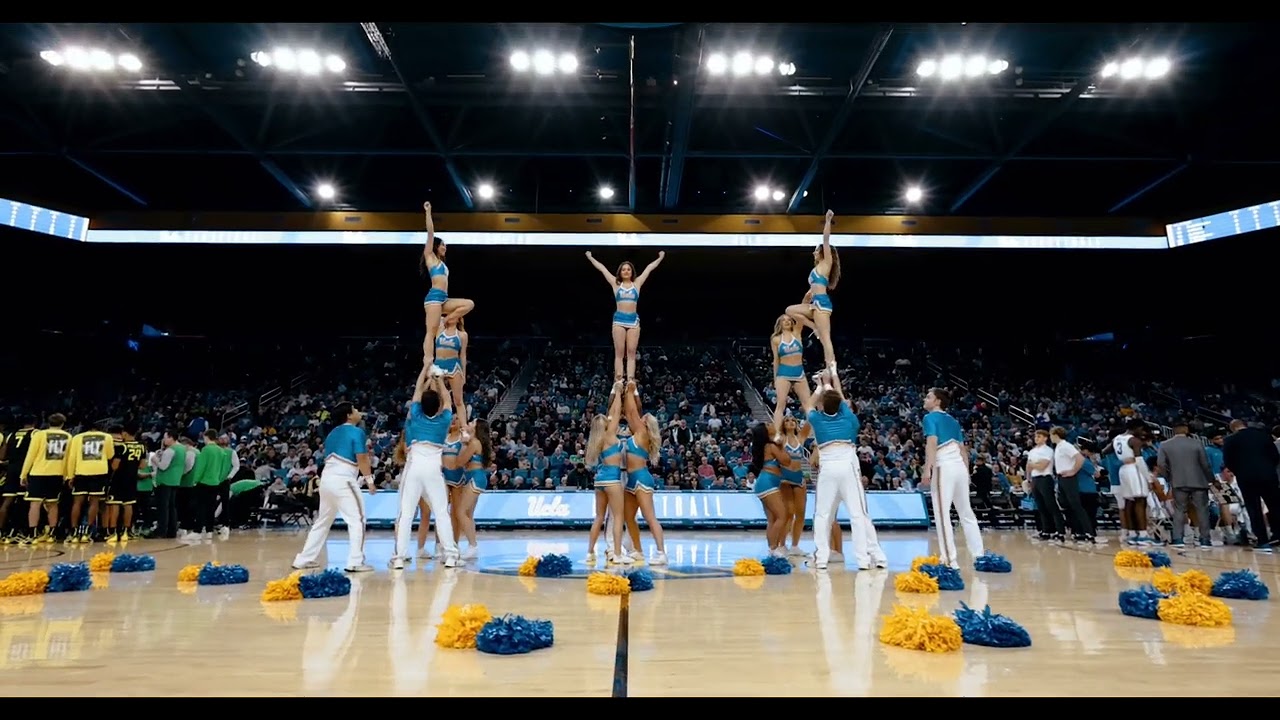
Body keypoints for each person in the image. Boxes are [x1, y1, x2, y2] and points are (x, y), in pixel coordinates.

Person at [806, 369, 885, 571]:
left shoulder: (817, 419)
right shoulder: (850, 420)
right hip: (848, 466)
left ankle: (821, 559)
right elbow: (840, 399)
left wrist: (820, 385)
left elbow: (808, 404)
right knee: (858, 514)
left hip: (828, 468)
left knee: (822, 515)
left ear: (822, 406)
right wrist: (831, 382)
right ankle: (865, 560)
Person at [292, 402, 376, 573]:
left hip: (326, 479)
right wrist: (369, 480)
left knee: (323, 521)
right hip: (344, 479)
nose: (359, 411)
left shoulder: (331, 434)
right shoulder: (357, 431)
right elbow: (362, 458)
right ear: (349, 416)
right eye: (355, 409)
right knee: (357, 520)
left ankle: (303, 559)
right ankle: (355, 561)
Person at [392, 365, 460, 570]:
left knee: (406, 514)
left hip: (414, 469)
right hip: (433, 470)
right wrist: (439, 378)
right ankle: (450, 555)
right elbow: (447, 401)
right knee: (441, 513)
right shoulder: (444, 420)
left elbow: (416, 393)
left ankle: (399, 557)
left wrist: (425, 371)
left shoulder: (415, 416)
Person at [920, 388, 985, 567]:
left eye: (928, 397)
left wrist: (927, 469)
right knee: (966, 513)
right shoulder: (953, 420)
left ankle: (950, 560)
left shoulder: (929, 418)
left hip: (944, 466)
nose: (925, 399)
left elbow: (932, 443)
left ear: (938, 402)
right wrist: (966, 471)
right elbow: (962, 448)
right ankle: (979, 555)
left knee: (942, 514)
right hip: (959, 467)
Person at [585, 250, 665, 382]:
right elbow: (602, 269)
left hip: (633, 321)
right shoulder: (616, 284)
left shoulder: (637, 283)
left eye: (628, 269)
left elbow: (649, 268)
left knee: (631, 352)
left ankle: (631, 379)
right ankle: (618, 378)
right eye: (623, 270)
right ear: (620, 272)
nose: (626, 271)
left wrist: (660, 257)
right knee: (619, 353)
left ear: (632, 272)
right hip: (619, 321)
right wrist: (590, 257)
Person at [420, 201, 475, 369]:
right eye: (443, 244)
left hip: (444, 299)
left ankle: (448, 319)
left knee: (469, 304)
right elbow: (430, 233)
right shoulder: (430, 257)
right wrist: (428, 212)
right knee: (431, 332)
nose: (445, 247)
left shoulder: (443, 264)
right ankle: (428, 360)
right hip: (434, 299)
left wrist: (450, 317)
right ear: (436, 246)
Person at [785, 210, 840, 375]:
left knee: (825, 340)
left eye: (816, 251)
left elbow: (825, 239)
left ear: (822, 252)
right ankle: (814, 328)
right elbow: (808, 296)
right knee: (789, 310)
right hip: (814, 304)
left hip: (822, 305)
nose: (813, 253)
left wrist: (828, 220)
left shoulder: (826, 264)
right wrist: (801, 319)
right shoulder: (816, 270)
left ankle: (831, 369)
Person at [621, 380, 667, 565]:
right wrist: (631, 393)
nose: (639, 419)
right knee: (628, 517)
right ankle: (638, 550)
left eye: (643, 418)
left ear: (646, 425)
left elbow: (632, 412)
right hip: (632, 479)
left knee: (649, 517)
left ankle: (661, 552)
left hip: (641, 478)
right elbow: (632, 413)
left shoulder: (642, 434)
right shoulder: (638, 433)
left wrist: (630, 391)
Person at [586, 382, 633, 565]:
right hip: (613, 480)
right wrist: (618, 392)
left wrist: (615, 391)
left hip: (599, 481)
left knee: (599, 517)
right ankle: (617, 553)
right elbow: (614, 412)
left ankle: (590, 552)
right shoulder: (610, 436)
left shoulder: (596, 440)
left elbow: (611, 416)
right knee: (618, 517)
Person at [1222, 418, 1280, 552]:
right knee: (1275, 505)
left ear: (1232, 428)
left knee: (1254, 509)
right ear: (1245, 425)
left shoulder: (1230, 440)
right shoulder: (1262, 435)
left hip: (1246, 478)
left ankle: (1263, 540)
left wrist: (1240, 472)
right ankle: (1277, 534)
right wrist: (1268, 468)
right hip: (1268, 475)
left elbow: (1228, 461)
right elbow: (1275, 456)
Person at [1156, 420, 1215, 549]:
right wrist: (1211, 479)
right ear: (1186, 429)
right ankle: (1205, 539)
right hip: (1199, 481)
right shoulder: (1197, 443)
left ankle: (1178, 539)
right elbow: (1205, 464)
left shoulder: (1164, 445)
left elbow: (1161, 465)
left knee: (1179, 510)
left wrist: (1169, 477)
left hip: (1178, 481)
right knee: (1202, 510)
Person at [19, 413, 72, 544]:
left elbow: (30, 455)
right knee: (53, 504)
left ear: (48, 422)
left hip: (39, 472)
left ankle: (33, 535)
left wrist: (23, 474)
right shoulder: (68, 436)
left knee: (35, 504)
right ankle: (52, 534)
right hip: (57, 473)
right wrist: (68, 475)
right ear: (63, 424)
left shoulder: (39, 435)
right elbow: (69, 458)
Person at [65, 420, 115, 543]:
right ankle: (87, 531)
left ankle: (74, 531)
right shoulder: (107, 437)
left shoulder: (77, 438)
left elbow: (72, 458)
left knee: (77, 503)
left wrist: (70, 476)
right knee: (94, 502)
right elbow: (110, 455)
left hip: (81, 472)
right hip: (99, 472)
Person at [749, 423, 792, 556]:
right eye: (768, 425)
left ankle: (772, 550)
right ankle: (773, 549)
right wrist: (781, 445)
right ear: (766, 432)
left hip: (765, 482)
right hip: (768, 483)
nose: (771, 424)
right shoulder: (771, 446)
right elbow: (786, 461)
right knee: (782, 516)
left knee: (772, 519)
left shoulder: (766, 446)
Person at [454, 418, 493, 561]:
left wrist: (463, 444)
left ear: (476, 429)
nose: (469, 424)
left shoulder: (474, 443)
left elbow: (459, 462)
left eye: (472, 423)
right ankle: (472, 545)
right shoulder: (475, 442)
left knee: (460, 511)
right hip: (475, 476)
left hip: (475, 477)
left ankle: (473, 545)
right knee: (468, 514)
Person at [1049, 426, 1096, 545]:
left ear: (1055, 435)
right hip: (1061, 477)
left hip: (1069, 478)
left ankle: (1088, 532)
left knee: (1076, 505)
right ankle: (1075, 531)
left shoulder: (1066, 446)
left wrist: (1073, 471)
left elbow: (1080, 459)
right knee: (1066, 506)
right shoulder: (1058, 447)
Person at [769, 314, 812, 442]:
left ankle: (812, 431)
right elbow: (776, 360)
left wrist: (807, 297)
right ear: (780, 323)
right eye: (784, 320)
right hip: (784, 372)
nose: (787, 322)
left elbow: (801, 314)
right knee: (780, 405)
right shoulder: (776, 339)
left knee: (808, 405)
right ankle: (777, 434)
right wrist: (775, 378)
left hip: (799, 372)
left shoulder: (797, 333)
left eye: (789, 320)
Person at [1113, 420, 1155, 546]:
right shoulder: (1134, 440)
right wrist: (1149, 479)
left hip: (1123, 469)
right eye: (1141, 429)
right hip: (1134, 469)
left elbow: (1105, 451)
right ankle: (1142, 535)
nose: (1142, 433)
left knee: (1129, 502)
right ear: (1135, 428)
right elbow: (1140, 461)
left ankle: (1132, 534)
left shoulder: (1117, 438)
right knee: (1140, 500)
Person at [103, 424, 146, 544]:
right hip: (132, 479)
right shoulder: (141, 447)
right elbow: (143, 465)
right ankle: (126, 532)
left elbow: (115, 466)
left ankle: (113, 532)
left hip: (119, 479)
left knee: (114, 504)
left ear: (126, 433)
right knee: (128, 504)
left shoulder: (122, 447)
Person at [778, 415, 812, 556]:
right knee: (788, 513)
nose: (790, 422)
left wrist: (811, 403)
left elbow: (810, 420)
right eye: (787, 420)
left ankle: (795, 546)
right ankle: (781, 545)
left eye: (793, 420)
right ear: (783, 424)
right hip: (784, 478)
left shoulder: (801, 438)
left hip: (799, 477)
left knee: (801, 513)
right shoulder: (780, 439)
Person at [0, 416, 36, 543]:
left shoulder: (11, 435)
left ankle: (2, 532)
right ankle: (19, 531)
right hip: (25, 470)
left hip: (11, 470)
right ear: (34, 423)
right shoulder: (35, 434)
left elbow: (2, 456)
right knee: (24, 503)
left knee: (6, 503)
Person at [1025, 429, 1062, 542]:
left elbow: (1042, 466)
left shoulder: (1048, 450)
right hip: (1035, 479)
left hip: (1045, 478)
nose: (1036, 438)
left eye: (1039, 436)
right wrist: (1028, 479)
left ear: (1045, 438)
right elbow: (1028, 467)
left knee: (1051, 505)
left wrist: (1033, 464)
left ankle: (1060, 530)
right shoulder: (1032, 451)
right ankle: (1046, 530)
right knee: (1040, 506)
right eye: (1036, 436)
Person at [433, 315, 469, 422]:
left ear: (459, 318)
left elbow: (463, 356)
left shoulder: (462, 335)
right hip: (438, 365)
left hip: (453, 366)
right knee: (437, 400)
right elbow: (438, 310)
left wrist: (463, 374)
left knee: (458, 400)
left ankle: (463, 427)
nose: (451, 317)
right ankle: (437, 425)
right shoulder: (440, 329)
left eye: (454, 315)